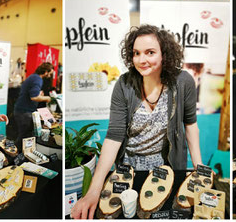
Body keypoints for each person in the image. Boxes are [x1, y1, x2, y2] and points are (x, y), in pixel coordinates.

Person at [71, 24, 203, 219]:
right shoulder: (123, 85)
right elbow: (114, 136)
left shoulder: (183, 81)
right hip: (128, 167)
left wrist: (200, 169)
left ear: (164, 54)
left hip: (166, 166)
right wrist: (93, 191)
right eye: (136, 53)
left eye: (150, 52)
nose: (142, 60)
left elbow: (190, 124)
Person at [13, 62, 53, 143]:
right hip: (24, 112)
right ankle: (16, 154)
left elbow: (32, 93)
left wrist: (39, 94)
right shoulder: (37, 79)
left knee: (23, 135)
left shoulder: (33, 77)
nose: (49, 76)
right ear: (45, 72)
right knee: (24, 137)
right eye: (50, 73)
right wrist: (47, 98)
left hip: (21, 110)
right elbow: (34, 97)